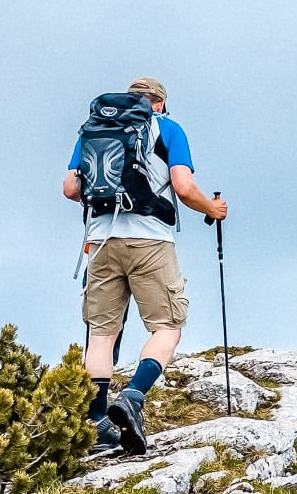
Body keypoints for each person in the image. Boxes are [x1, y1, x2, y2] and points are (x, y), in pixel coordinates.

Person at [64, 77, 228, 455]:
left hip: (101, 240)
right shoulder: (167, 129)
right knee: (167, 325)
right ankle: (134, 397)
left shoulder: (93, 129)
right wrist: (212, 209)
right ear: (160, 103)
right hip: (151, 238)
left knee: (101, 334)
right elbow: (183, 188)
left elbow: (71, 188)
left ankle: (98, 423)